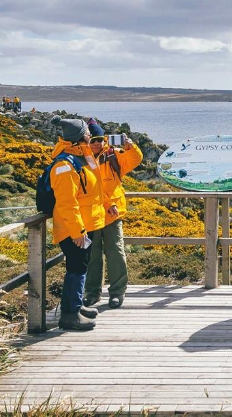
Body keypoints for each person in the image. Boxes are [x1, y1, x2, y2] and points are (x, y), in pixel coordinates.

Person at [49, 116, 118, 330]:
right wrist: (78, 231)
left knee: (80, 268)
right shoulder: (64, 165)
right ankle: (69, 315)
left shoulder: (81, 157)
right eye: (87, 133)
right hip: (74, 229)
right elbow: (67, 203)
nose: (91, 135)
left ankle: (76, 307)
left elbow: (93, 191)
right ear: (79, 137)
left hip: (86, 225)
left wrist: (107, 204)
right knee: (76, 269)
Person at [83, 119, 143, 309]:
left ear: (105, 140)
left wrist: (130, 147)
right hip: (92, 215)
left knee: (116, 252)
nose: (97, 143)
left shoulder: (113, 156)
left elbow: (135, 159)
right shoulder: (80, 160)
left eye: (100, 139)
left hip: (112, 216)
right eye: (93, 140)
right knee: (92, 256)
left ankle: (117, 292)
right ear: (87, 141)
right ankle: (92, 293)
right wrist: (107, 202)